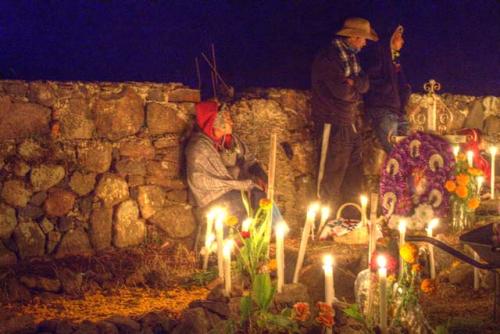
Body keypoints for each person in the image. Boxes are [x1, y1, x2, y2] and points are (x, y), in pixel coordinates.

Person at [311, 17, 378, 215]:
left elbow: (365, 84)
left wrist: (354, 83)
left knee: (353, 173)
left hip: (350, 122)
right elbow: (342, 92)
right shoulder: (329, 57)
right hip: (332, 121)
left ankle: (352, 219)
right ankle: (323, 221)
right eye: (363, 39)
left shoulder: (350, 58)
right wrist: (355, 87)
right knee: (330, 173)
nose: (365, 43)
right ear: (353, 37)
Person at [186, 100, 271, 221]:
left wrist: (262, 176)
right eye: (227, 119)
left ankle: (265, 233)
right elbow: (199, 179)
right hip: (212, 193)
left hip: (235, 187)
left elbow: (249, 160)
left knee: (262, 196)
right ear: (216, 123)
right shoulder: (199, 147)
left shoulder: (232, 141)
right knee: (240, 201)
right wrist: (237, 184)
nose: (232, 122)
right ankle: (238, 237)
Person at [362, 25, 411, 152]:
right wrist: (389, 90)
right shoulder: (377, 56)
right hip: (384, 110)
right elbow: (371, 78)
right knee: (395, 154)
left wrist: (405, 93)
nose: (402, 41)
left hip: (397, 111)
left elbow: (401, 85)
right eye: (399, 37)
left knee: (405, 153)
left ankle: (403, 173)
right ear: (390, 39)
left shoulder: (393, 59)